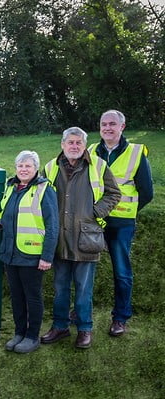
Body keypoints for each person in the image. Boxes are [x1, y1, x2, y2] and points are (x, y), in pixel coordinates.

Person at [40, 127, 121, 349]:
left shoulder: (98, 165)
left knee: (84, 290)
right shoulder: (50, 167)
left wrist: (96, 211)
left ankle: (85, 329)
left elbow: (114, 193)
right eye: (70, 142)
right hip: (59, 239)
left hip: (86, 238)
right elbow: (39, 197)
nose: (74, 146)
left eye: (78, 143)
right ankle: (60, 326)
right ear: (62, 145)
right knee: (60, 288)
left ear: (85, 145)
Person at [87, 110, 153, 337]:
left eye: (112, 124)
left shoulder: (136, 153)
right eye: (103, 124)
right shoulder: (91, 151)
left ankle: (120, 318)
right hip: (94, 221)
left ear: (122, 127)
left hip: (121, 222)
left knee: (122, 271)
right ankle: (81, 312)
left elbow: (147, 192)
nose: (107, 128)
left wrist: (130, 211)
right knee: (85, 269)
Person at [0, 151, 59, 353]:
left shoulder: (44, 189)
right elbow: (5, 213)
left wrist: (47, 256)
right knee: (16, 296)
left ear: (36, 168)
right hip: (11, 253)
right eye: (20, 166)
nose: (23, 169)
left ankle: (32, 337)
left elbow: (52, 226)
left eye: (28, 166)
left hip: (32, 255)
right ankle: (19, 332)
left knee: (32, 296)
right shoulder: (10, 187)